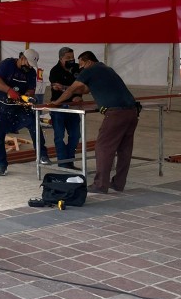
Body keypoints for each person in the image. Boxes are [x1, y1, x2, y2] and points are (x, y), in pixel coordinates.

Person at [50, 51, 139, 194]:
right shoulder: (106, 69)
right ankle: (118, 183)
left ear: (89, 61)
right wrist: (64, 87)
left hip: (116, 113)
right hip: (132, 112)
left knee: (103, 147)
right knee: (124, 150)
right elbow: (85, 90)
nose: (80, 68)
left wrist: (56, 102)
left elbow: (74, 89)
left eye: (81, 64)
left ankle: (100, 185)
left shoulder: (90, 70)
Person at [0, 49, 49, 176]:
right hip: (0, 105)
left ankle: (42, 155)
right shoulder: (7, 64)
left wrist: (28, 96)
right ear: (22, 58)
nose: (29, 67)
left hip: (18, 105)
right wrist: (9, 90)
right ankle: (1, 165)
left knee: (34, 125)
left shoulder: (31, 73)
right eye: (28, 64)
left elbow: (31, 89)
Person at [49, 47, 82, 169]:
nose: (71, 60)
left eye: (72, 57)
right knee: (59, 136)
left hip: (73, 107)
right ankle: (63, 162)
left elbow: (82, 86)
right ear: (60, 58)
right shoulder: (55, 71)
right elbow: (60, 88)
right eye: (68, 58)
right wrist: (72, 90)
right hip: (58, 107)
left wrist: (78, 95)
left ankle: (70, 160)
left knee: (75, 135)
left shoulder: (77, 68)